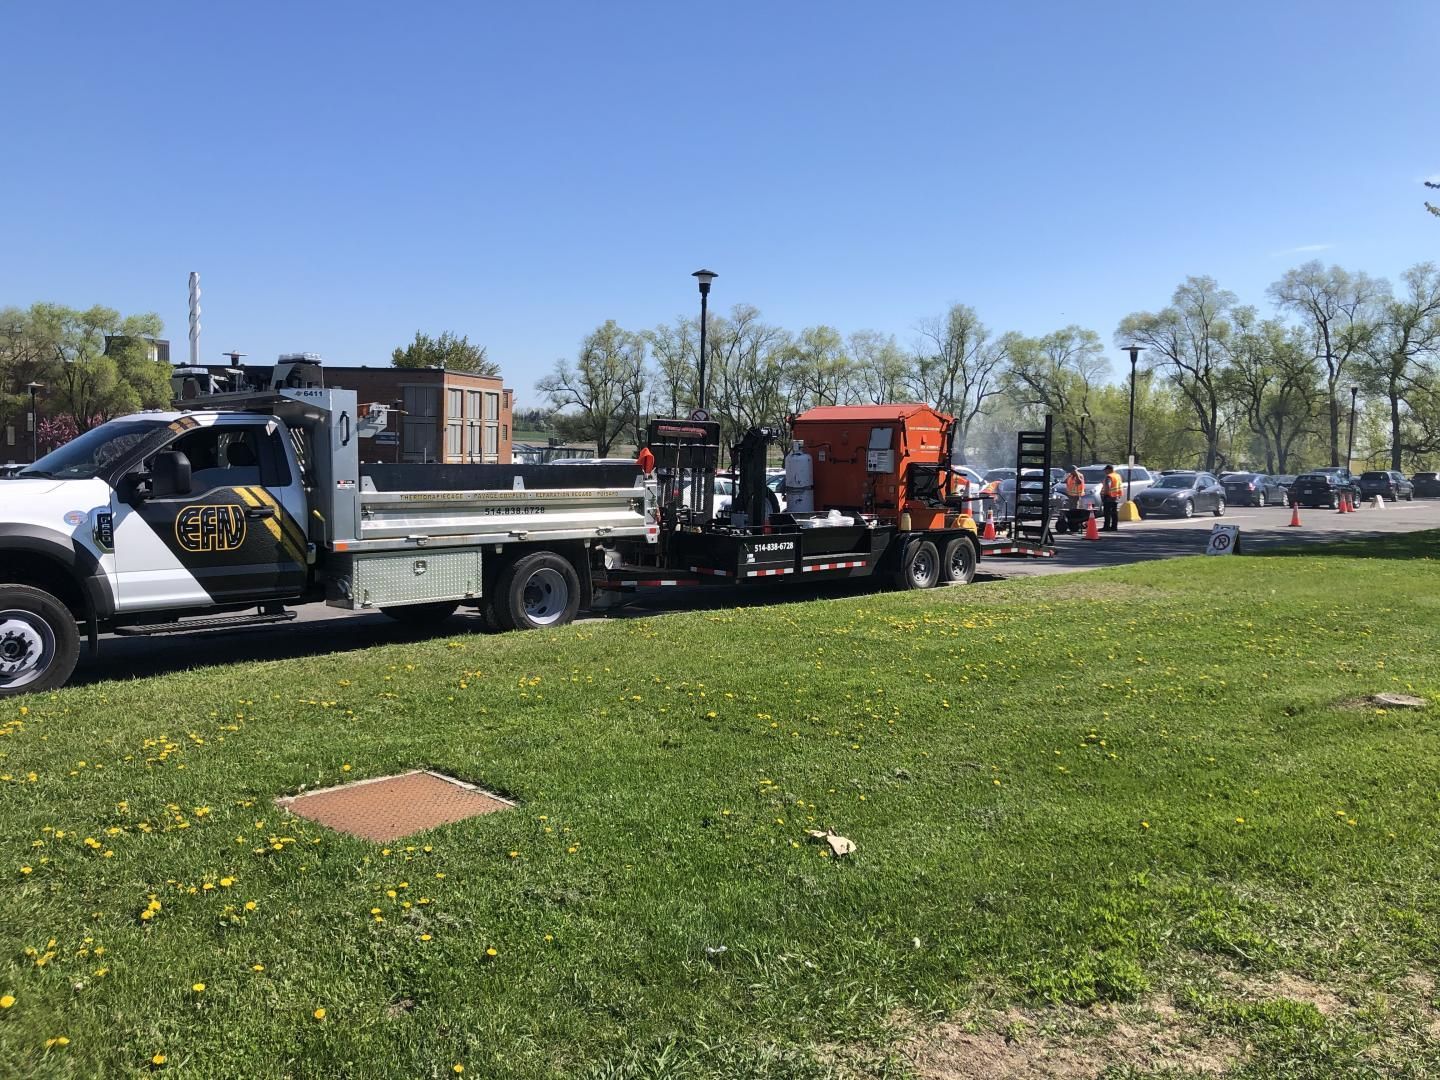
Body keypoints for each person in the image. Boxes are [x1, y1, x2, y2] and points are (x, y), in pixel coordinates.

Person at [1062, 466, 1086, 533]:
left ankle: (1076, 521)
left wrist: (1076, 474)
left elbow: (1079, 482)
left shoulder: (1079, 475)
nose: (1070, 472)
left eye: (1071, 471)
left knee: (1075, 508)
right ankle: (1071, 520)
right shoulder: (1070, 475)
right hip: (1071, 494)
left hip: (1076, 495)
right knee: (1071, 508)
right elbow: (1065, 481)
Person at [1102, 464, 1123, 531]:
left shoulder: (1109, 476)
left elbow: (1108, 486)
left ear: (1109, 470)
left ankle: (1106, 527)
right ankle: (1114, 526)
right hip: (1116, 496)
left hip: (1109, 496)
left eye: (1105, 470)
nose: (1105, 471)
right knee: (1114, 512)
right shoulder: (1117, 476)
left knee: (1107, 512)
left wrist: (1105, 494)